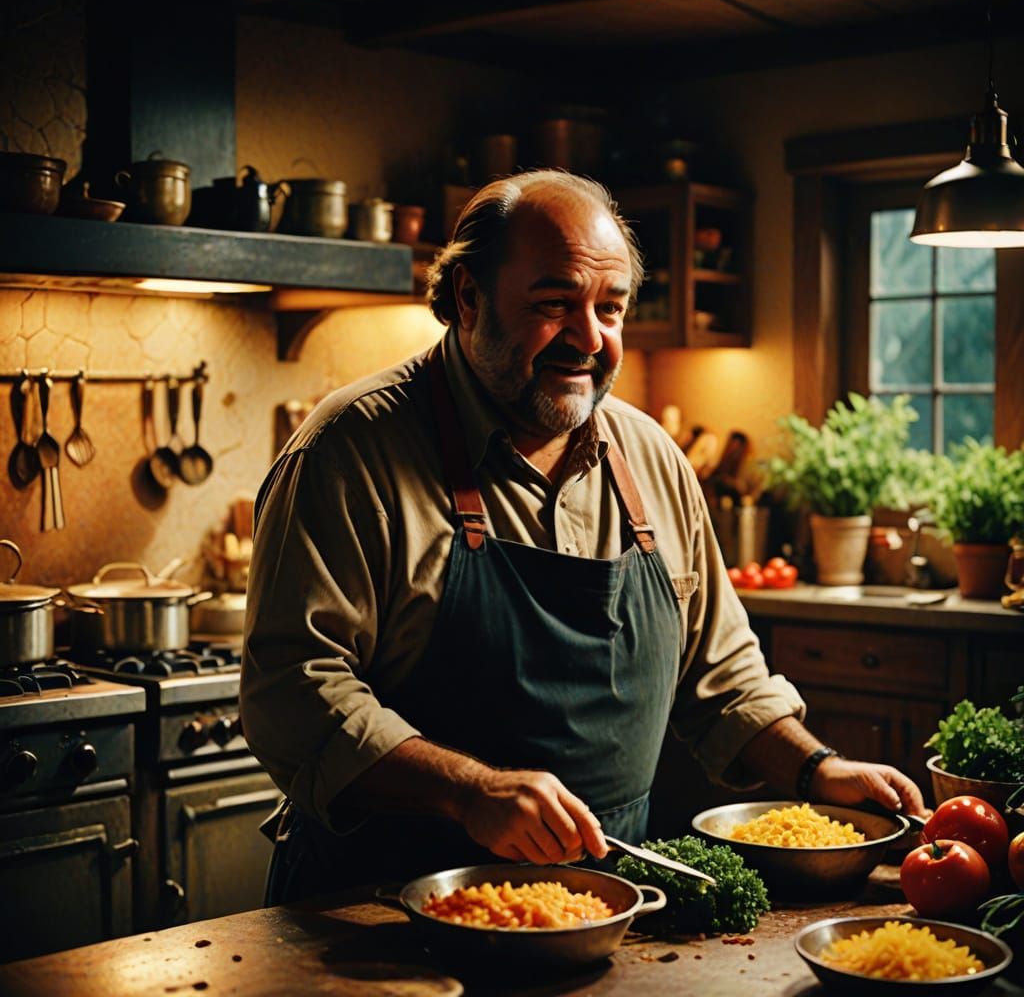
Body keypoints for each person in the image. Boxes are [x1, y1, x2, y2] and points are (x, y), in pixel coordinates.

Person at [241, 169, 925, 904]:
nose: (589, 339)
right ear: (468, 298)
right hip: (373, 914)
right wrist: (472, 792)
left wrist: (813, 767)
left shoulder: (652, 457)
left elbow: (721, 676)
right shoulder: (352, 450)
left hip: (596, 905)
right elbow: (294, 692)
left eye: (611, 309)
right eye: (554, 304)